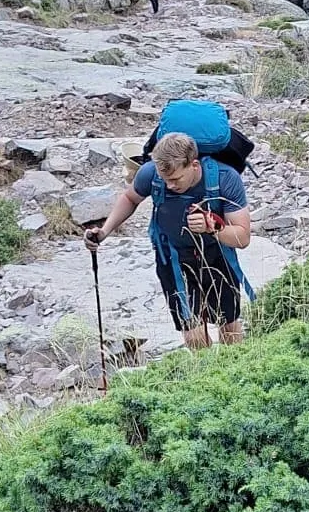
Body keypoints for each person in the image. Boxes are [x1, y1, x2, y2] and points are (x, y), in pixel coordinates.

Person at [85, 130, 251, 349]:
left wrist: (213, 228)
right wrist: (104, 232)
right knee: (193, 335)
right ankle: (206, 377)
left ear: (194, 165)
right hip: (173, 259)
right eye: (165, 180)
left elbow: (243, 237)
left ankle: (235, 369)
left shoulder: (225, 178)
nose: (170, 185)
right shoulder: (150, 174)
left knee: (228, 325)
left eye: (175, 179)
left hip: (218, 257)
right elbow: (130, 197)